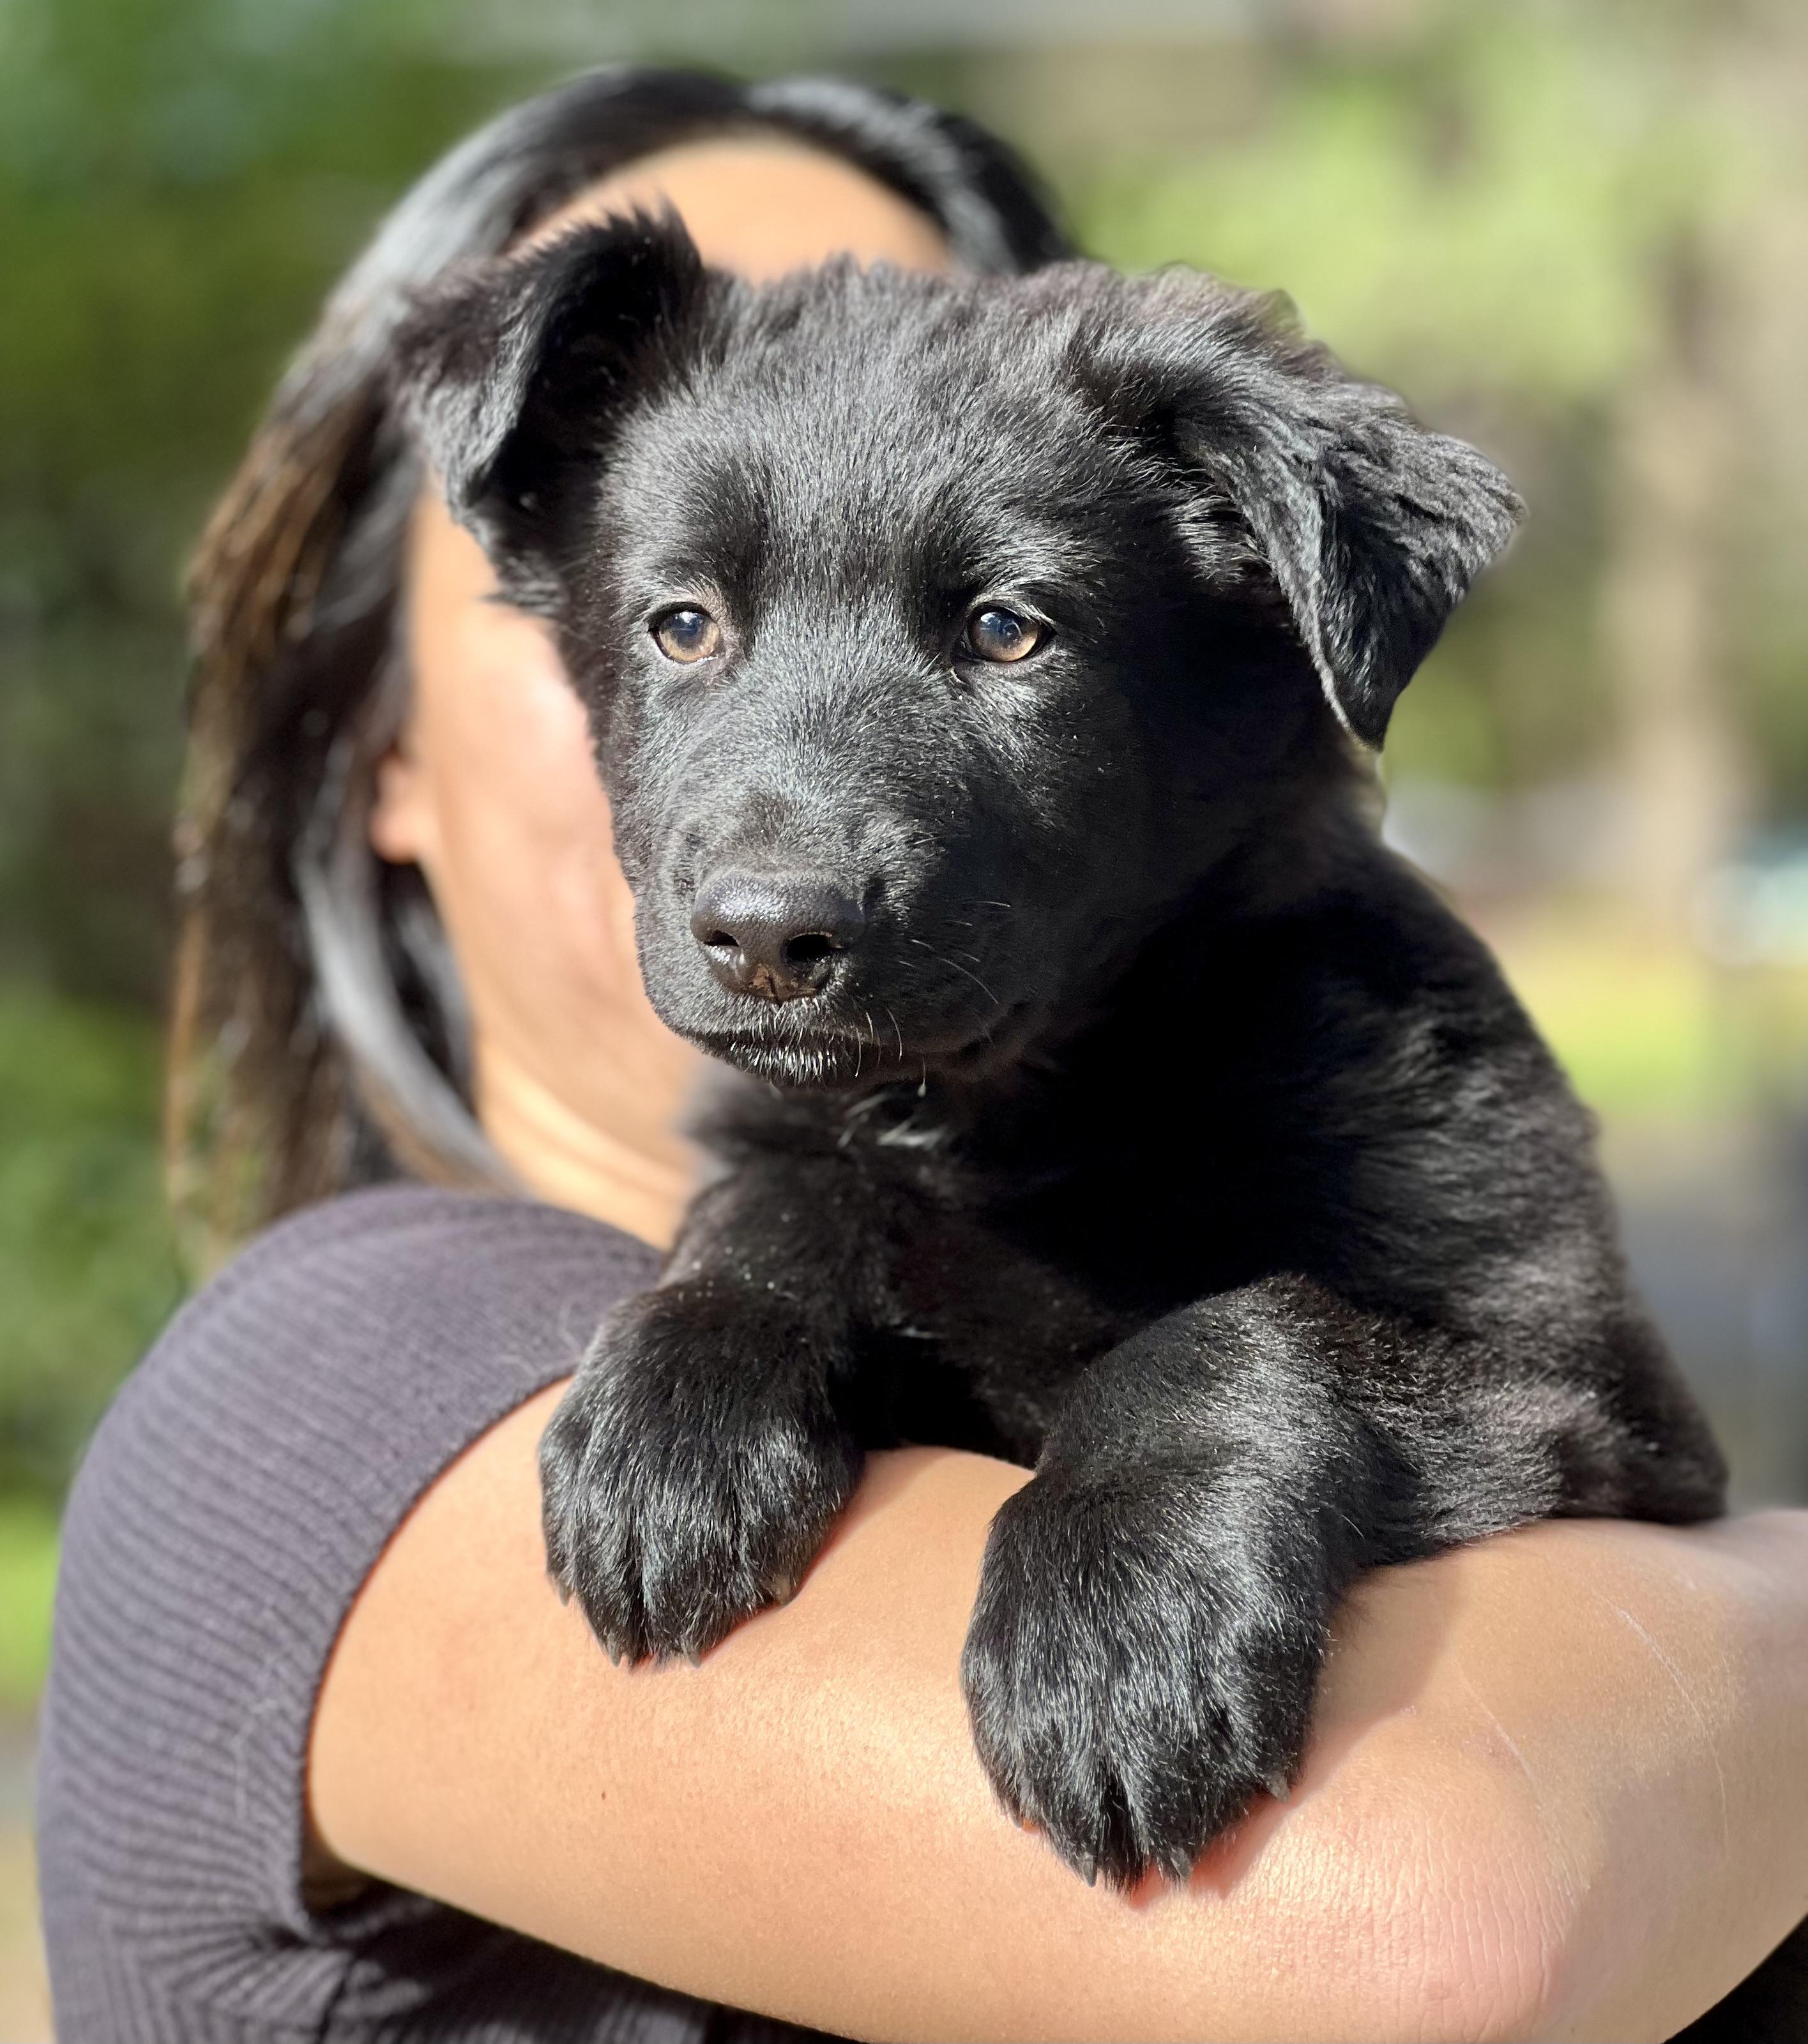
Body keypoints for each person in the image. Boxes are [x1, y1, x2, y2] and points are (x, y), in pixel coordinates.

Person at [35, 64, 1808, 2043]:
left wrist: (1246, 1389)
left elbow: (1603, 1447)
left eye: (1006, 629)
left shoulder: (1394, 1092)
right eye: (691, 619)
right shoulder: (316, 1398)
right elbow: (1434, 1916)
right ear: (387, 742)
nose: (786, 836)